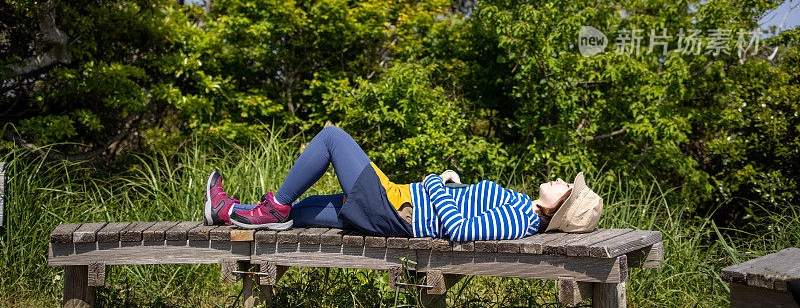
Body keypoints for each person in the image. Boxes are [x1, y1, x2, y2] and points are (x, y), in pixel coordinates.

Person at [203, 125, 603, 240]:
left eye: (566, 187)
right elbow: (466, 211)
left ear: (557, 209)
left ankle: (273, 205)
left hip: (395, 208)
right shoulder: (522, 206)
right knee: (297, 217)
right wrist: (449, 184)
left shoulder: (520, 221)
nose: (560, 179)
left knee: (331, 138)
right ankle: (226, 211)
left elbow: (461, 230)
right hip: (392, 208)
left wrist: (433, 182)